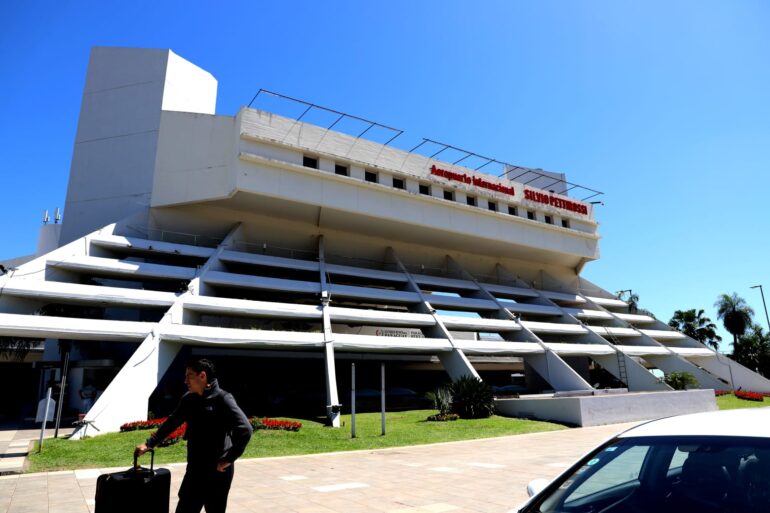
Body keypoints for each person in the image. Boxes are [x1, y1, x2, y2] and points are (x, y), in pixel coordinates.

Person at [136, 358, 253, 513]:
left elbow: (245, 429)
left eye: (189, 376)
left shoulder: (223, 399)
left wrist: (229, 458)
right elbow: (173, 422)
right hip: (195, 469)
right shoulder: (189, 399)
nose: (186, 381)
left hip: (218, 471)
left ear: (202, 376)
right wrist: (149, 443)